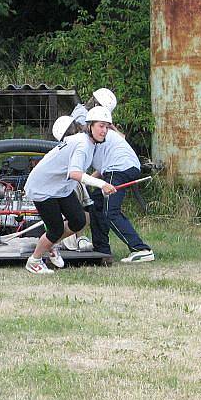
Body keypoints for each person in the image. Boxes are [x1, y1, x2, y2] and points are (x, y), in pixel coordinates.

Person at [23, 107, 117, 275]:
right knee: (55, 229)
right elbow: (74, 173)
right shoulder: (83, 144)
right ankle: (34, 261)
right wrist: (101, 184)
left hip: (60, 187)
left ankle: (49, 245)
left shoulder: (89, 143)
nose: (104, 131)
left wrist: (101, 184)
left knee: (78, 221)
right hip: (43, 187)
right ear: (90, 126)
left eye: (107, 127)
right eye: (101, 126)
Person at [89, 119, 154, 263]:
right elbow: (100, 170)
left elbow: (80, 172)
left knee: (110, 212)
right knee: (96, 202)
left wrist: (81, 181)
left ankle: (141, 249)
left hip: (117, 169)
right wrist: (86, 182)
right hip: (123, 168)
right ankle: (101, 250)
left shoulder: (90, 140)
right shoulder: (108, 137)